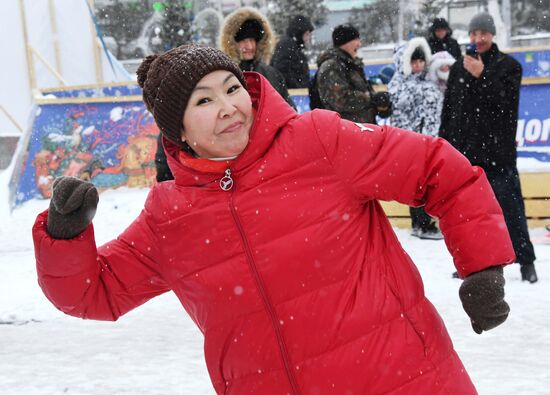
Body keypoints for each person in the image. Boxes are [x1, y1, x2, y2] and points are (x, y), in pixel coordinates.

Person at [33, 44, 514, 394]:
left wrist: (483, 266)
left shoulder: (319, 142)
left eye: (231, 88)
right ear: (177, 131)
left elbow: (438, 169)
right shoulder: (169, 215)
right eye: (204, 101)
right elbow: (92, 292)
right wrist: (65, 234)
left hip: (407, 380)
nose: (228, 108)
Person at [440, 12, 538, 283]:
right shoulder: (460, 67)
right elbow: (450, 111)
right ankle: (472, 263)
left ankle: (526, 262)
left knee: (511, 211)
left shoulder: (509, 66)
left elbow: (506, 105)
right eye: (473, 33)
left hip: (498, 153)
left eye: (483, 33)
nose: (478, 39)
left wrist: (482, 75)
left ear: (492, 35)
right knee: (468, 215)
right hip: (466, 154)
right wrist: (445, 145)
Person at [388, 37, 444, 240]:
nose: (418, 65)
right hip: (409, 143)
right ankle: (420, 223)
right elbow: (400, 109)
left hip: (427, 142)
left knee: (425, 183)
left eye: (421, 61)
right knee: (415, 184)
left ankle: (424, 222)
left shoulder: (430, 83)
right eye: (414, 61)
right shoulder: (399, 85)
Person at [219, 6, 295, 108]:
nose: (249, 46)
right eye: (244, 41)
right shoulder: (225, 76)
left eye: (252, 40)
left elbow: (288, 109)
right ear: (233, 44)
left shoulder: (271, 74)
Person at [314, 24, 391, 122]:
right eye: (356, 39)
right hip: (345, 131)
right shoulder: (331, 66)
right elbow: (340, 99)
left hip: (363, 130)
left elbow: (363, 96)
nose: (359, 44)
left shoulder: (353, 65)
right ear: (345, 42)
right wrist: (371, 99)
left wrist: (381, 106)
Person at [270, 15, 314, 89]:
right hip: (293, 95)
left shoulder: (293, 46)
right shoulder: (287, 46)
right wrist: (298, 87)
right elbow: (282, 71)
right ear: (299, 33)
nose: (308, 38)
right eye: (306, 34)